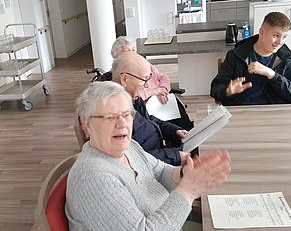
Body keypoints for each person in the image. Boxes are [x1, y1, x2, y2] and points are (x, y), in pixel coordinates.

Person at [65, 81, 231, 231]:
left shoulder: (128, 146)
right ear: (87, 124)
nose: (122, 123)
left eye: (127, 114)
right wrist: (188, 190)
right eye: (110, 117)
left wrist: (184, 174)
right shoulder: (94, 178)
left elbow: (158, 171)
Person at [112, 52, 191, 166]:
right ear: (124, 79)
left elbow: (148, 119)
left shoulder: (132, 97)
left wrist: (175, 131)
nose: (147, 86)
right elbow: (135, 158)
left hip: (159, 154)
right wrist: (175, 156)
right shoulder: (115, 114)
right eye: (144, 80)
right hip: (151, 167)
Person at [210, 12, 291, 105]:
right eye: (276, 36)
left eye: (284, 37)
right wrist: (228, 91)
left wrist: (272, 75)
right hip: (241, 112)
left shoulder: (287, 59)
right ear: (261, 32)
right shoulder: (236, 55)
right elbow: (215, 89)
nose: (280, 42)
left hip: (274, 114)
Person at [111, 36, 194, 131]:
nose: (132, 54)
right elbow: (132, 96)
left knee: (184, 123)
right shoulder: (120, 75)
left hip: (162, 100)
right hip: (149, 107)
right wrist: (154, 91)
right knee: (172, 127)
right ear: (117, 56)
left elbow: (163, 77)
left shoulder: (144, 64)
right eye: (128, 51)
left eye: (133, 50)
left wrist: (163, 90)